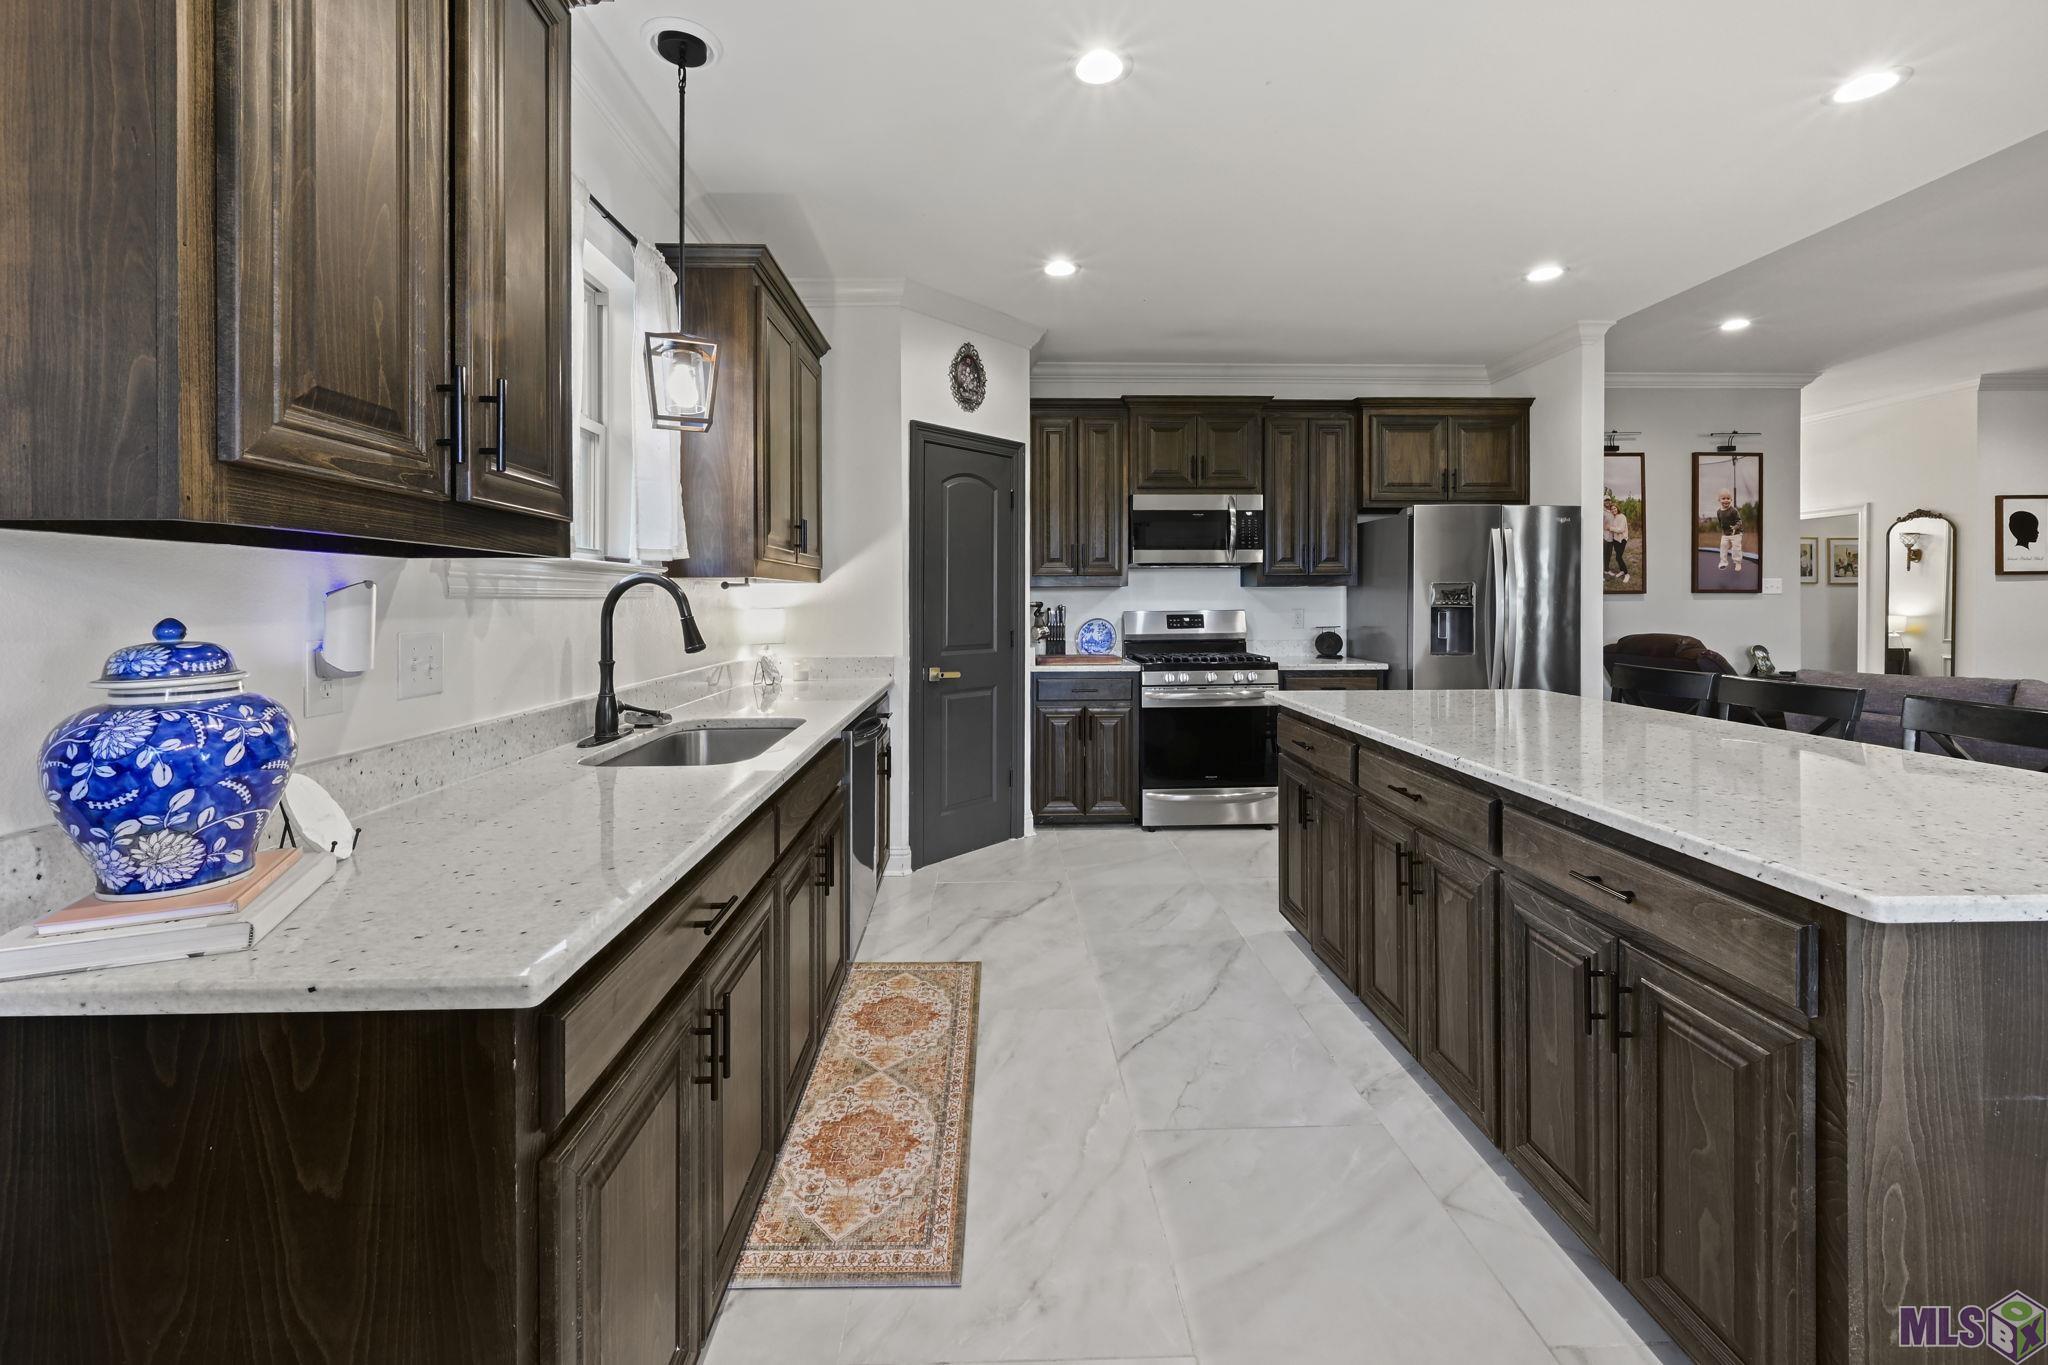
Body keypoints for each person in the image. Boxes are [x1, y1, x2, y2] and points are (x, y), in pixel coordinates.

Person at [1602, 494, 1629, 580]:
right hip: (1607, 537)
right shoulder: (1603, 511)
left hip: (1617, 539)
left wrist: (1610, 528)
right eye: (1605, 500)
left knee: (1613, 556)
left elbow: (1620, 529)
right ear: (1603, 501)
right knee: (1604, 555)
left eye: (1608, 500)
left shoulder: (1618, 515)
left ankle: (1609, 570)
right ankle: (1601, 572)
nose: (1607, 502)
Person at [1715, 489, 1742, 571]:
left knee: (1736, 548)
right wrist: (1722, 530)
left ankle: (1737, 562)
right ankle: (1723, 562)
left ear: (1731, 500)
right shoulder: (1719, 512)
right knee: (1723, 546)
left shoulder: (1733, 510)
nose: (1726, 500)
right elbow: (1720, 521)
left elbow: (1739, 521)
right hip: (1725, 534)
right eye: (1723, 498)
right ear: (1719, 500)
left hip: (1736, 533)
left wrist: (1735, 527)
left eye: (1728, 498)